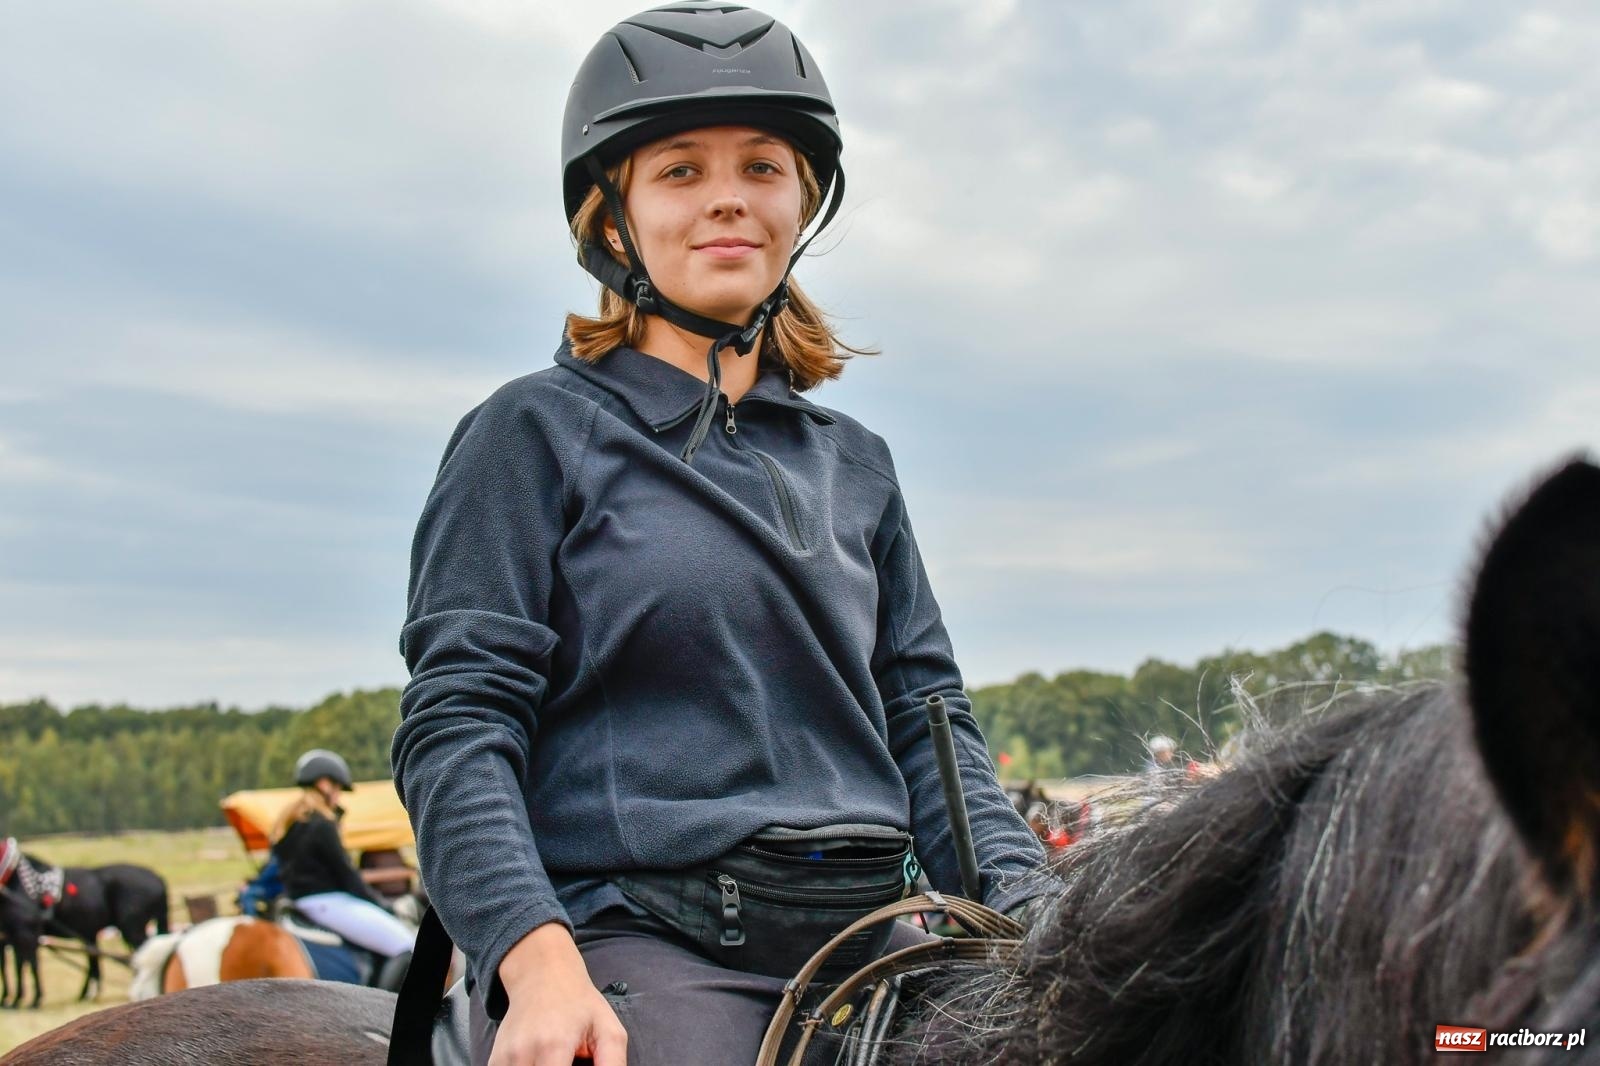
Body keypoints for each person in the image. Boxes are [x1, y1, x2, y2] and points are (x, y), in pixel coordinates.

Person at [391, 5, 1049, 1064]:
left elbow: (930, 718)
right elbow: (458, 723)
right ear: (613, 221)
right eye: (681, 171)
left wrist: (1036, 903)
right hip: (645, 939)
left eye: (762, 166)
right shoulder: (530, 434)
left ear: (803, 204)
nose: (729, 196)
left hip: (877, 934)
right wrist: (534, 954)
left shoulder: (858, 462)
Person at [270, 749, 414, 960]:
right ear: (323, 784)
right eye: (337, 787)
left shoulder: (288, 823)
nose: (338, 795)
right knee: (407, 945)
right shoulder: (322, 825)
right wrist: (381, 905)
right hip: (328, 902)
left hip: (298, 901)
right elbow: (346, 874)